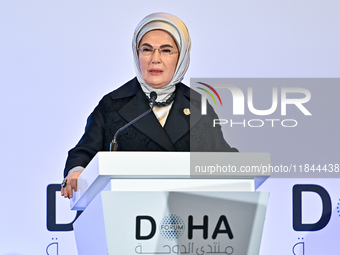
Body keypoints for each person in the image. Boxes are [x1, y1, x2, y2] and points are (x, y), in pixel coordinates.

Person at [61, 12, 237, 199]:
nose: (155, 58)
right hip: (125, 213)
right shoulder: (112, 104)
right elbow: (84, 152)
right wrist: (76, 172)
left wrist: (240, 166)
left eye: (166, 50)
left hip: (186, 213)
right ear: (137, 54)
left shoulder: (197, 105)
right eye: (146, 49)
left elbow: (222, 158)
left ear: (182, 56)